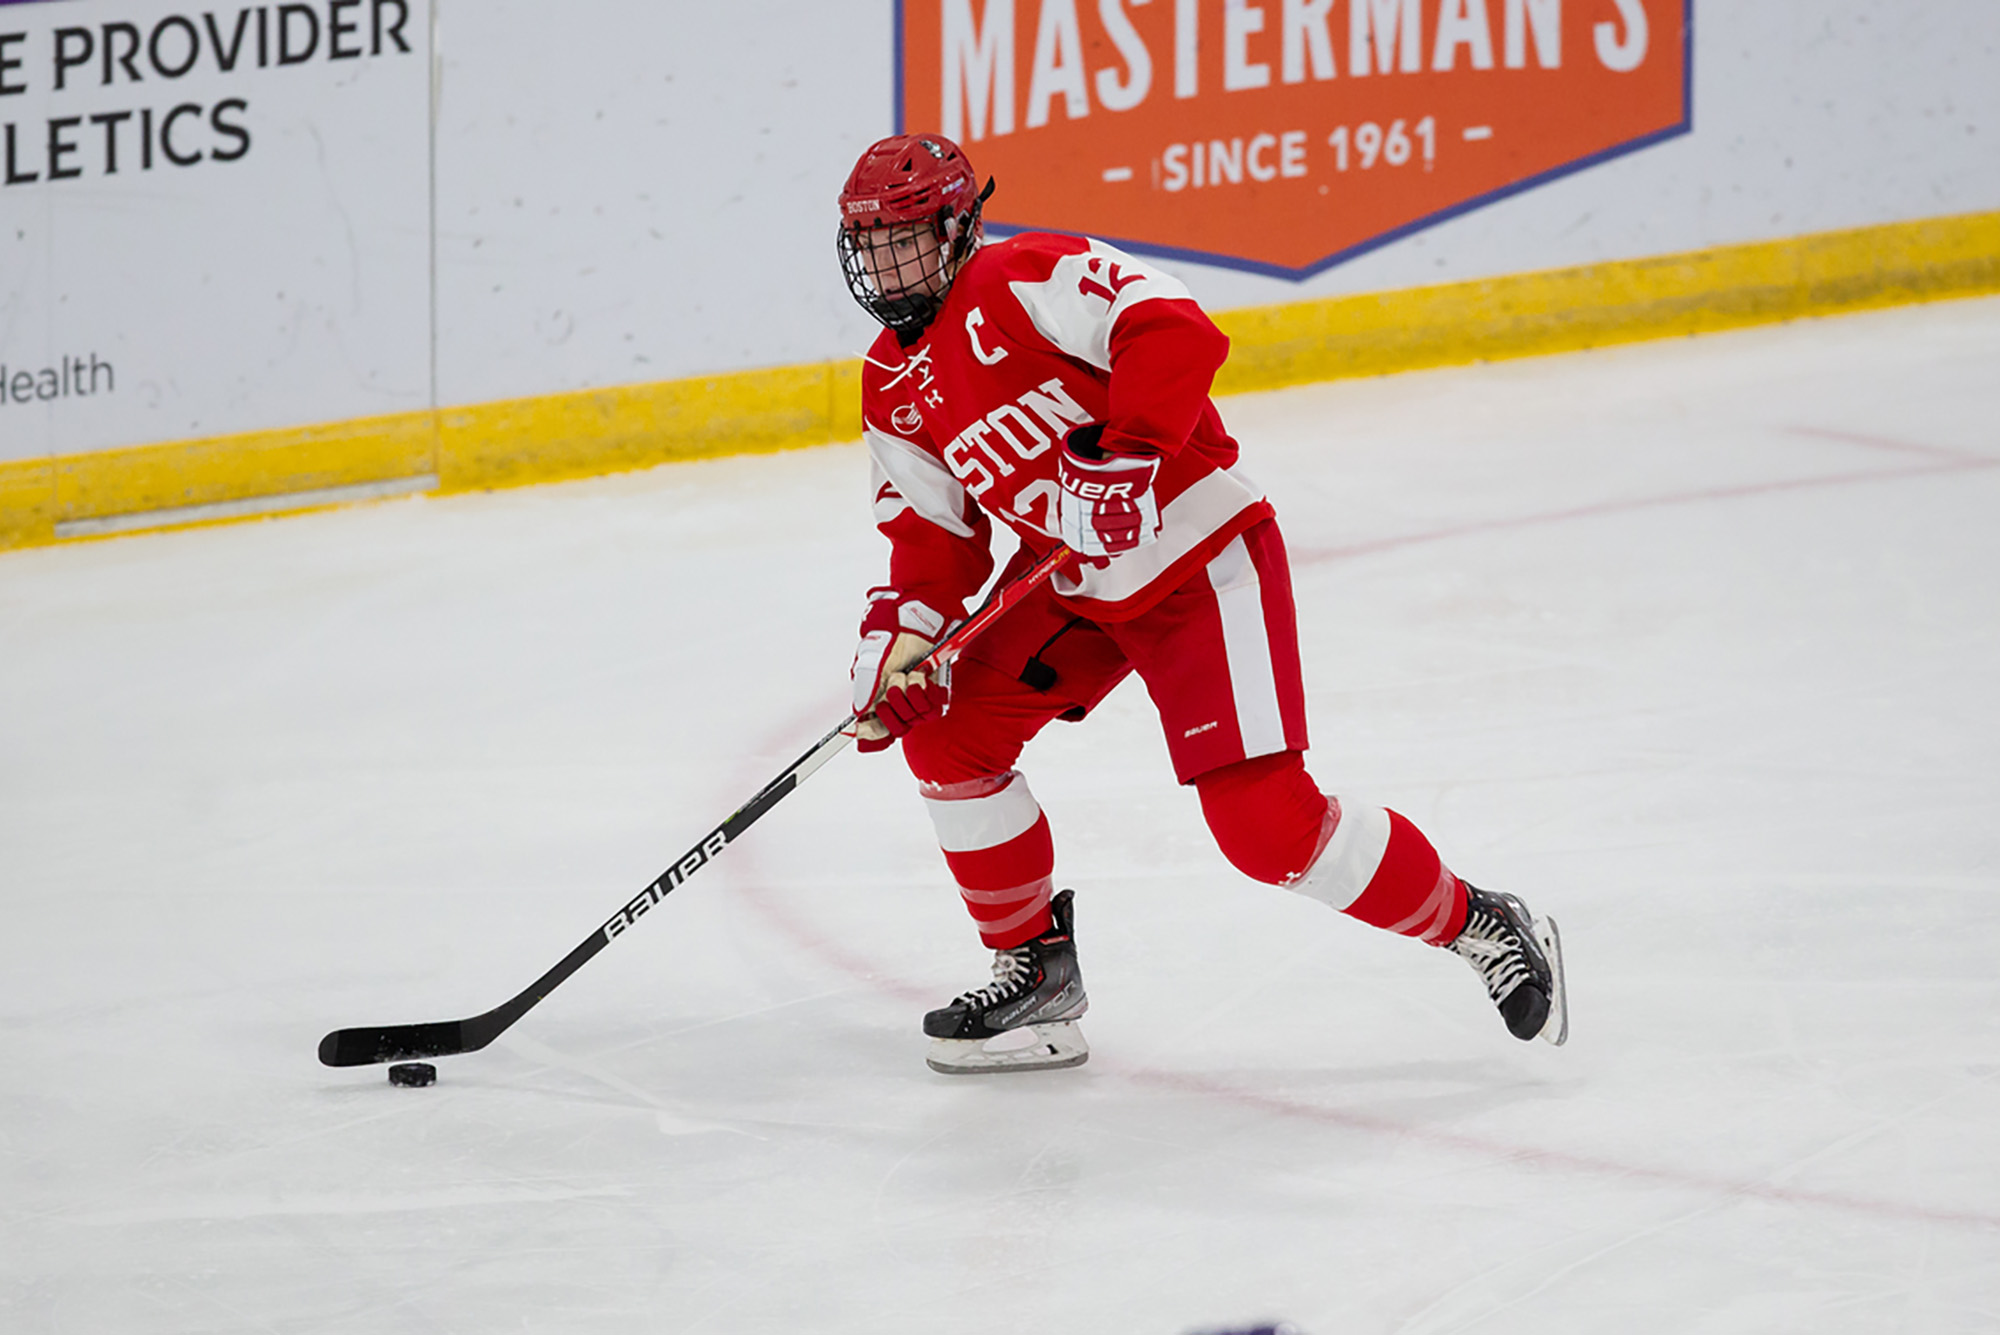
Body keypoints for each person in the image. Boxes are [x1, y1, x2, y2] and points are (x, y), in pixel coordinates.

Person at [836, 133, 1567, 1074]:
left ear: (958, 225)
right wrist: (901, 642)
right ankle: (1036, 976)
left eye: (906, 237)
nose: (889, 262)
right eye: (871, 242)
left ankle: (1479, 923)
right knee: (946, 737)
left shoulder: (1028, 274)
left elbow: (1170, 325)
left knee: (1270, 830)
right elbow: (933, 540)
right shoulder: (889, 383)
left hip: (1195, 554)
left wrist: (1132, 449)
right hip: (1075, 581)